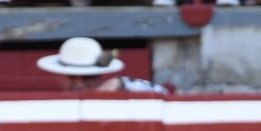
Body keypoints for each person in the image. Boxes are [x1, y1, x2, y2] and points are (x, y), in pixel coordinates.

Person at [36, 37, 170, 93]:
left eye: (89, 77)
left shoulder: (116, 90)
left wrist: (122, 83)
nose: (79, 84)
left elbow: (163, 94)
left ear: (101, 77)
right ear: (59, 77)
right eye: (72, 77)